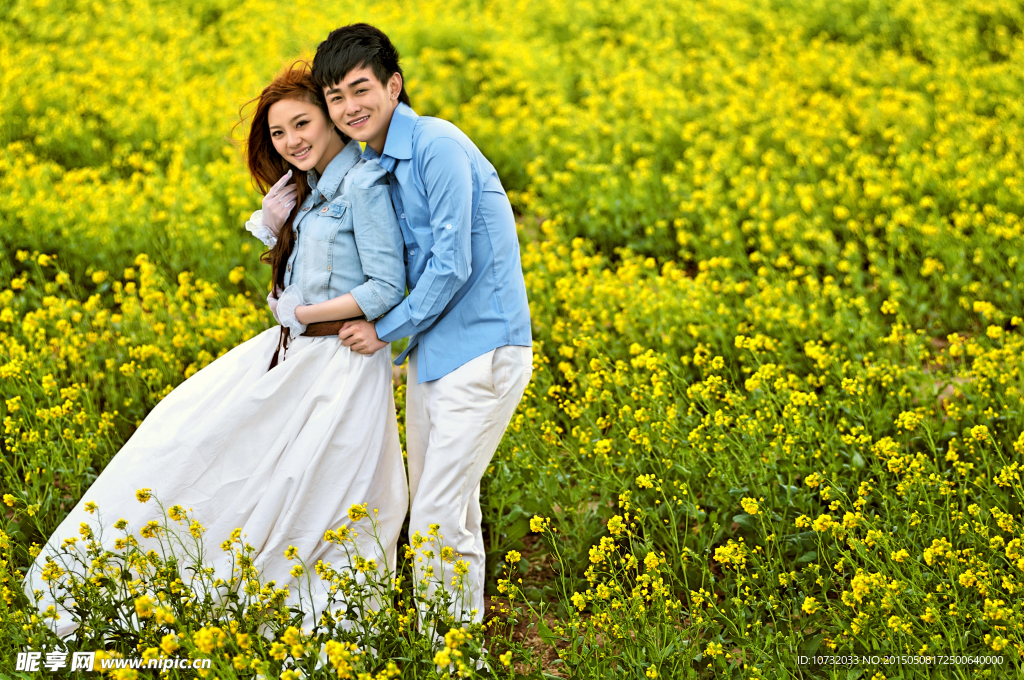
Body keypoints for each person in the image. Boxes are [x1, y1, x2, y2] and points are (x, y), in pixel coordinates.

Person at [21, 60, 409, 638]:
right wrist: (279, 234)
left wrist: (302, 314)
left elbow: (385, 285)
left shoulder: (365, 187)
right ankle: (139, 572)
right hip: (292, 352)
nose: (291, 142)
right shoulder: (308, 190)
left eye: (301, 124)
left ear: (331, 117)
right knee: (188, 436)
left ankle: (247, 603)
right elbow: (305, 282)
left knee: (310, 490)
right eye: (279, 133)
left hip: (338, 366)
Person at [316, 24, 534, 625]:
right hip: (434, 354)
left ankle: (449, 650)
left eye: (360, 89)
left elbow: (452, 261)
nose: (349, 107)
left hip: (482, 350)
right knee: (448, 510)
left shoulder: (436, 144)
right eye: (335, 97)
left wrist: (385, 329)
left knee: (437, 513)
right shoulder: (373, 161)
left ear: (394, 85)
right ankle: (451, 644)